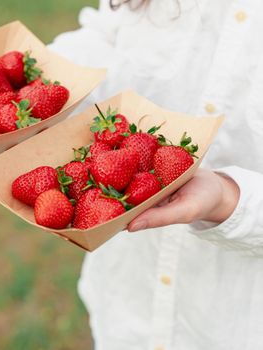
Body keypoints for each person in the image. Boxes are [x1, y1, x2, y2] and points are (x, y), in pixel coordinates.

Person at [48, 1, 263, 349]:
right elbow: (109, 34)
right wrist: (41, 79)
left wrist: (228, 197)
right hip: (127, 306)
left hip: (233, 326)